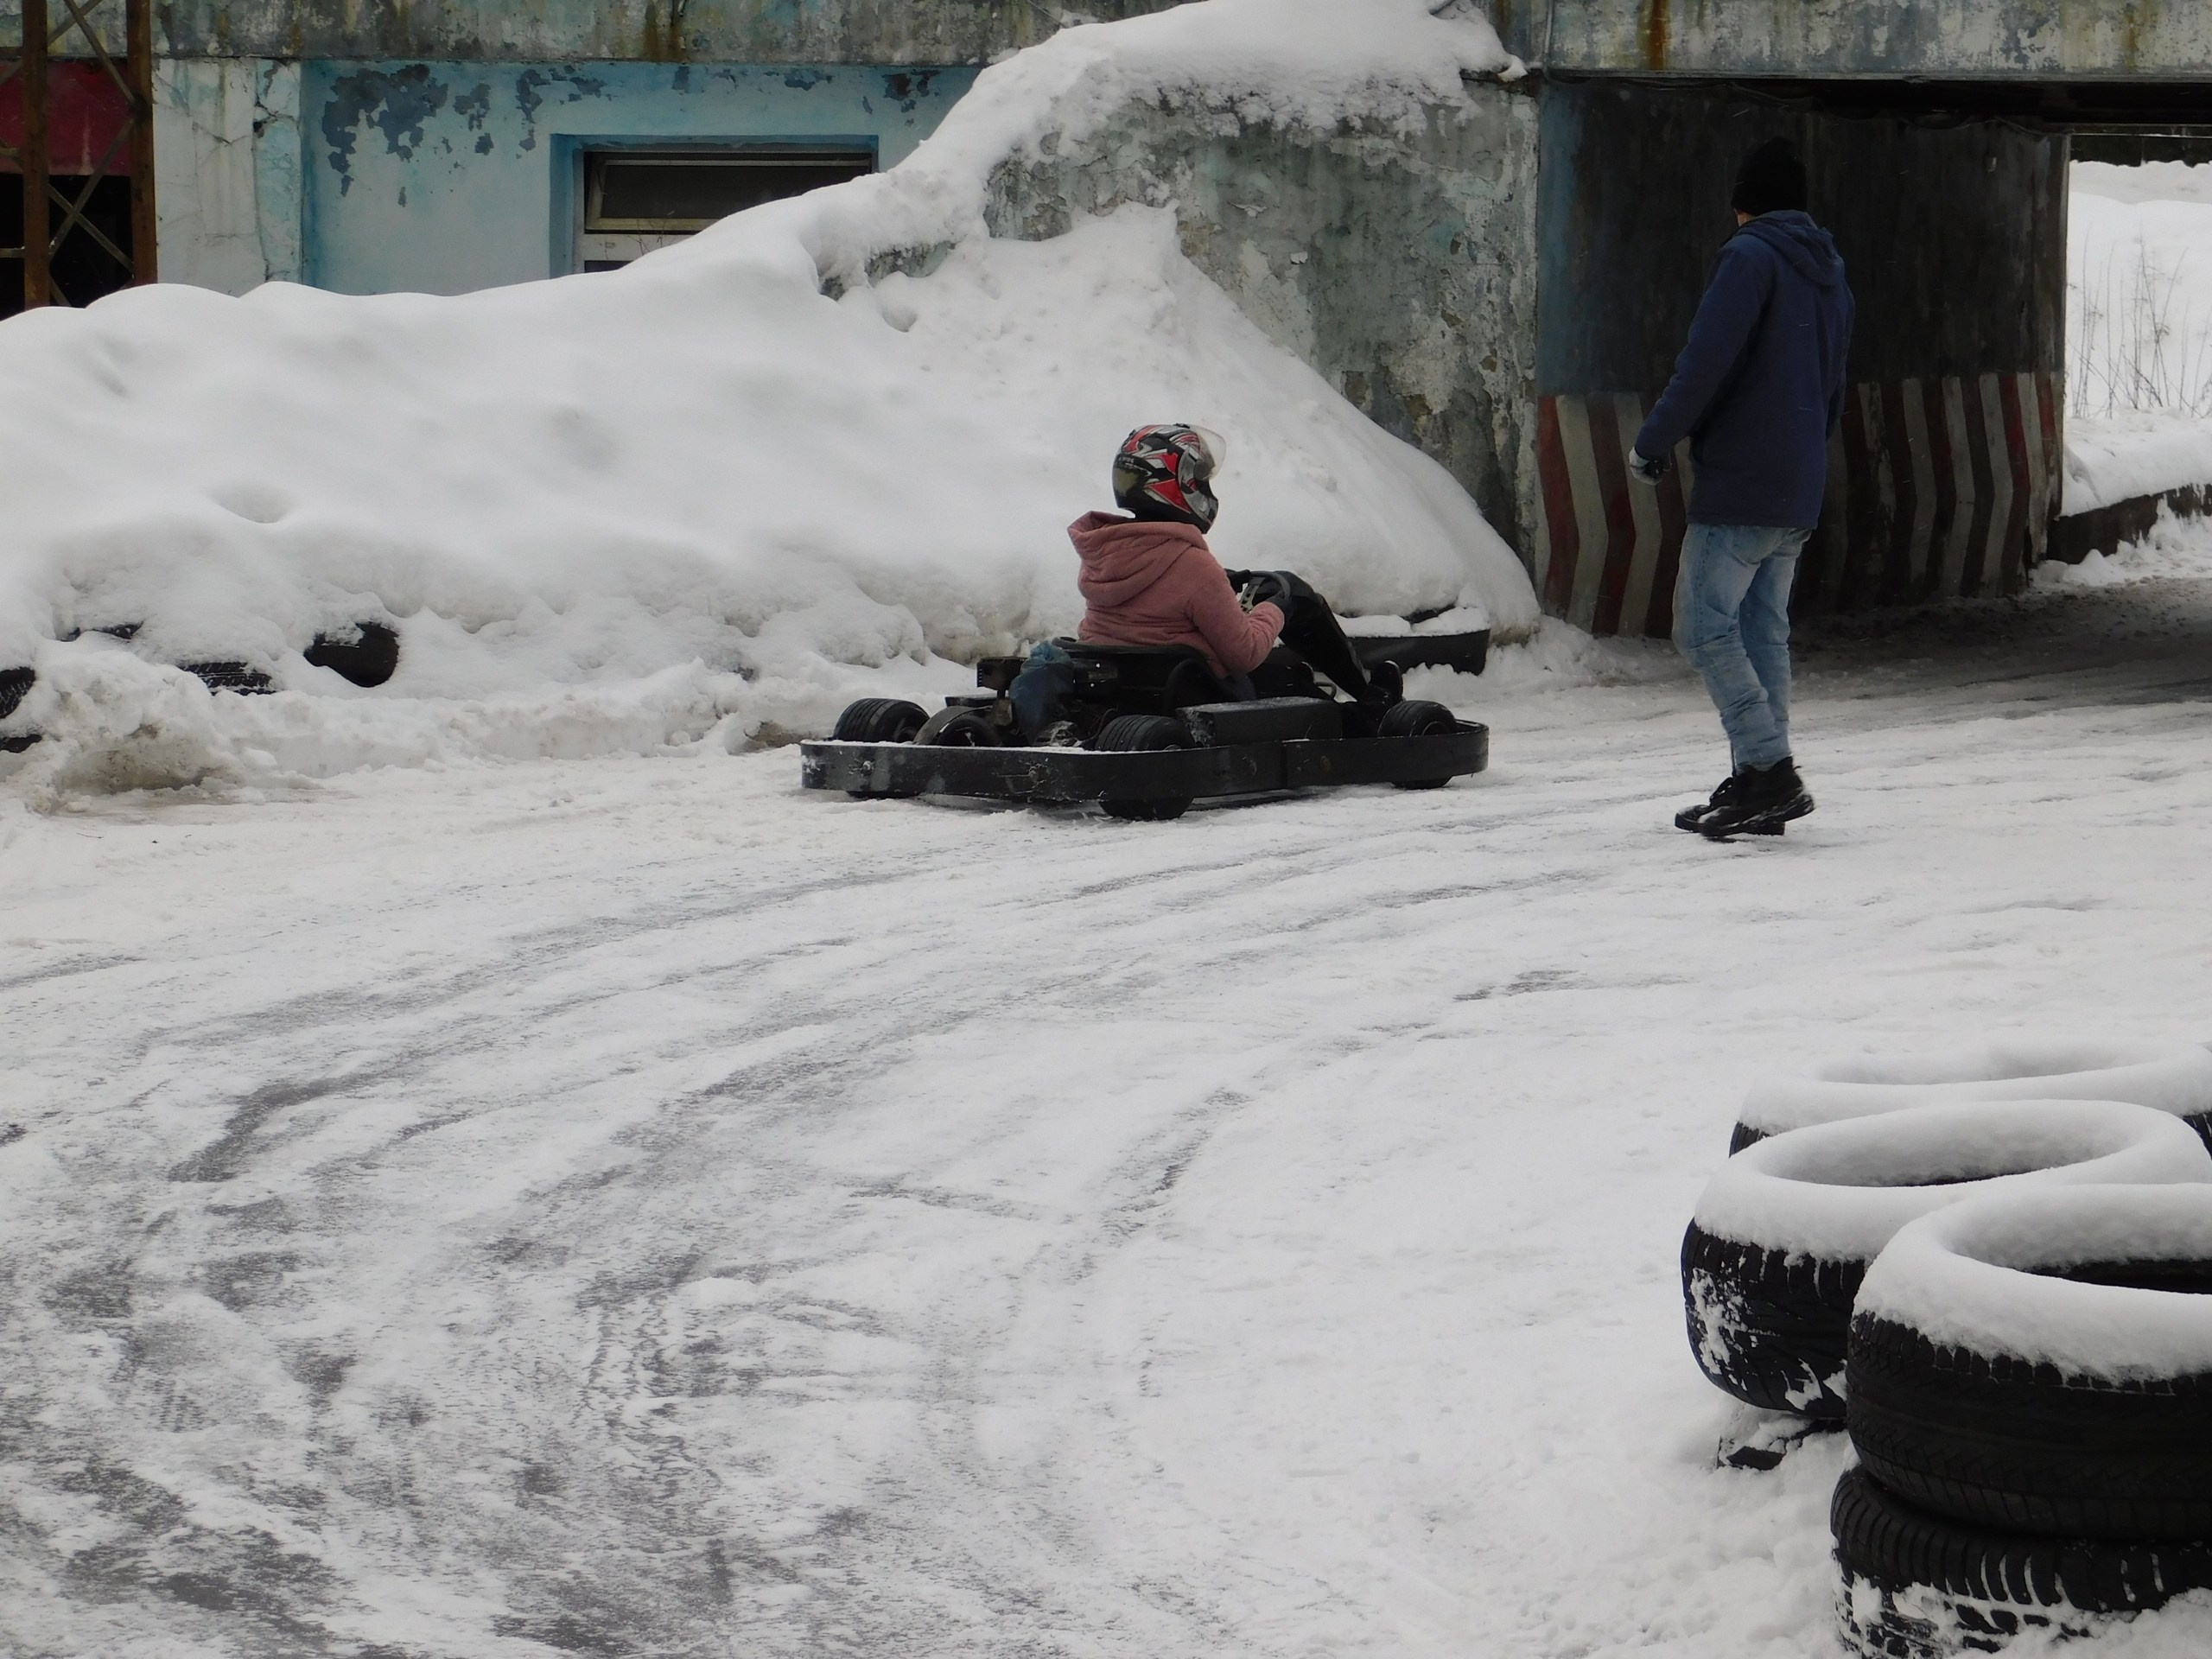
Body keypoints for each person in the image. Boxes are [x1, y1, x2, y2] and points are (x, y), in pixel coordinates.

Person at [1630, 137, 1855, 840]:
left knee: (1700, 625)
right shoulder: (1831, 272)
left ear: (1741, 204)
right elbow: (1833, 380)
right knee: (1761, 632)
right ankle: (1759, 783)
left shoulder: (1749, 257)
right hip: (1797, 479)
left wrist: (1653, 440)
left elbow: (1705, 363)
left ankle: (1770, 769)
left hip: (1744, 480)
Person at [1065, 423, 1381, 699]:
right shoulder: (1193, 567)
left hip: (1123, 687)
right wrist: (1276, 609)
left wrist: (1220, 583)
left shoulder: (1105, 552)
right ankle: (1370, 702)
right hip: (1190, 694)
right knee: (1301, 680)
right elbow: (1246, 654)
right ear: (1180, 484)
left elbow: (1157, 602)